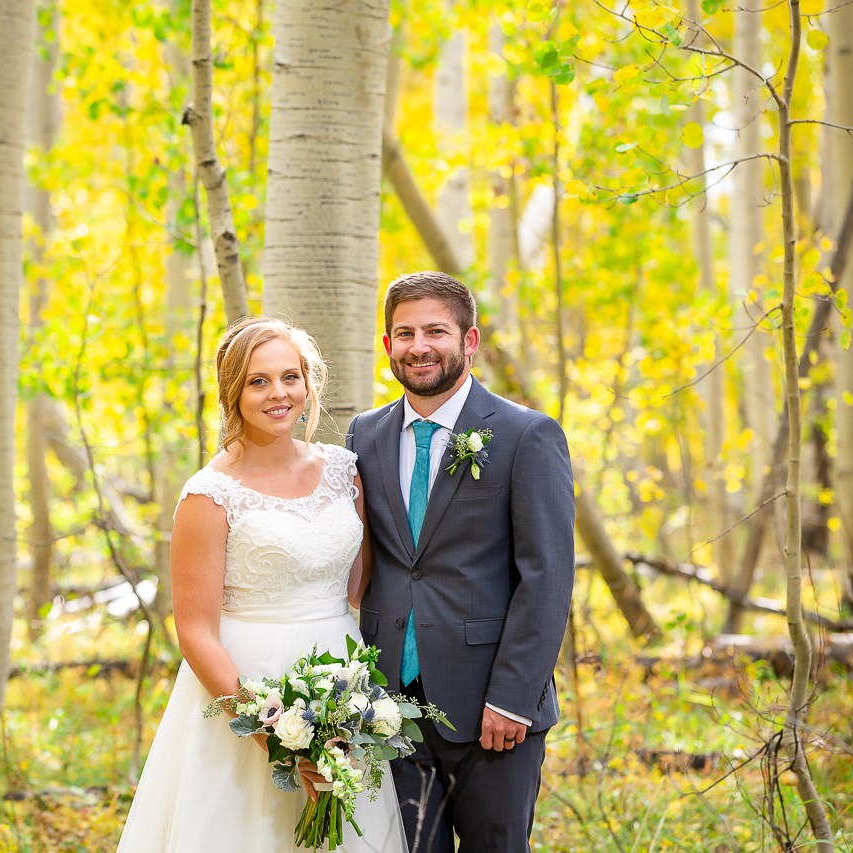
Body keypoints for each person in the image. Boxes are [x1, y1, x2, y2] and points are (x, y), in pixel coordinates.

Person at [116, 316, 406, 853]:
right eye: (259, 381)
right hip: (249, 684)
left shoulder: (345, 471)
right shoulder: (210, 495)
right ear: (233, 392)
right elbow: (196, 632)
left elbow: (359, 586)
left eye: (290, 377)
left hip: (341, 680)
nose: (279, 394)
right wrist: (271, 732)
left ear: (308, 384)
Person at [346, 271, 575, 853]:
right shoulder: (364, 435)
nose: (418, 346)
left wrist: (511, 699)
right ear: (387, 346)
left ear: (468, 341)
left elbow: (546, 578)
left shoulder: (527, 435)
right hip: (390, 708)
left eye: (434, 331)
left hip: (489, 714)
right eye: (403, 334)